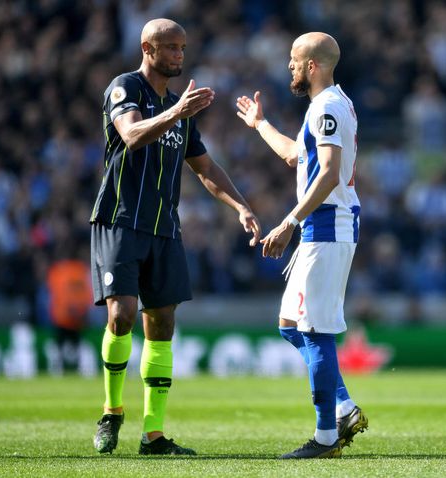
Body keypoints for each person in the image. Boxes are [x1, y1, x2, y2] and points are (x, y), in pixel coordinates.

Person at [90, 18, 261, 455]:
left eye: (182, 48)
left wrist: (240, 205)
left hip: (164, 228)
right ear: (147, 47)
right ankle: (112, 412)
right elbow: (130, 135)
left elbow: (205, 168)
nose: (179, 56)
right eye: (170, 48)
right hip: (120, 219)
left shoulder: (180, 110)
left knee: (161, 326)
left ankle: (154, 434)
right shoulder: (125, 87)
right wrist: (175, 112)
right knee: (122, 315)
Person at [236, 32, 367, 459]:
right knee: (291, 326)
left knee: (315, 330)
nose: (289, 66)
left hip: (327, 227)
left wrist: (290, 220)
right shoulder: (326, 106)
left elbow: (328, 173)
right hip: (321, 229)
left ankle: (326, 437)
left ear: (313, 65)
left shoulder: (327, 105)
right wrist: (260, 124)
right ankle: (343, 406)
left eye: (294, 59)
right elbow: (297, 156)